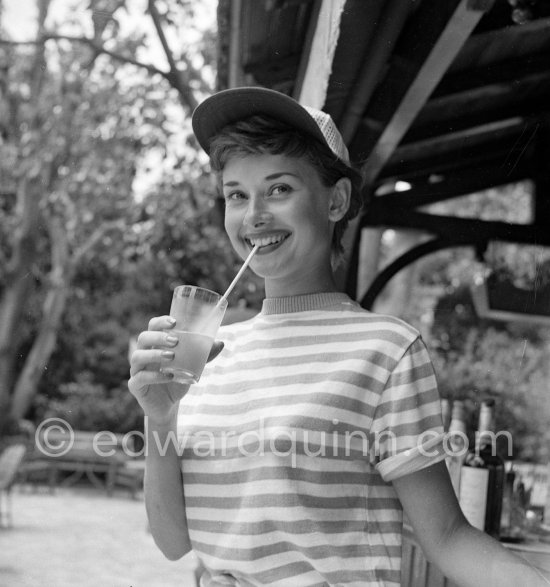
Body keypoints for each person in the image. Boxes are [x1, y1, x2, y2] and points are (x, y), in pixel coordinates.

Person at [128, 87, 550, 587]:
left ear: (336, 200)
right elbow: (174, 542)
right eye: (237, 194)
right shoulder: (207, 354)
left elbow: (448, 538)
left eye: (279, 188)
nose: (253, 214)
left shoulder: (387, 350)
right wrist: (160, 416)